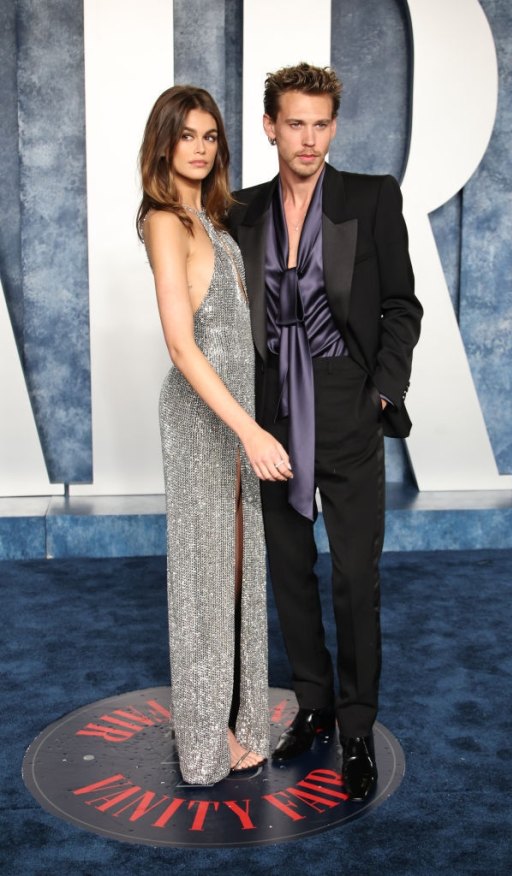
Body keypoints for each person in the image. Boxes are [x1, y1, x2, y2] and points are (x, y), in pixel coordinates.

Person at [227, 63, 422, 800]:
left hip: (345, 404)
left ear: (333, 127)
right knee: (290, 573)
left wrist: (380, 392)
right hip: (271, 413)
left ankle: (357, 729)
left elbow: (402, 306)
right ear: (270, 128)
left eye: (321, 124)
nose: (308, 139)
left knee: (353, 576)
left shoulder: (371, 198)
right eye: (294, 123)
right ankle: (312, 705)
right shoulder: (239, 210)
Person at [136, 85, 292, 785]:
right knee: (204, 579)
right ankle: (206, 740)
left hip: (234, 418)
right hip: (204, 420)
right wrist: (250, 431)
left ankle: (234, 721)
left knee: (234, 573)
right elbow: (181, 344)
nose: (200, 147)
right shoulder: (165, 220)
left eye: (210, 136)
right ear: (164, 142)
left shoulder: (212, 218)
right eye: (188, 135)